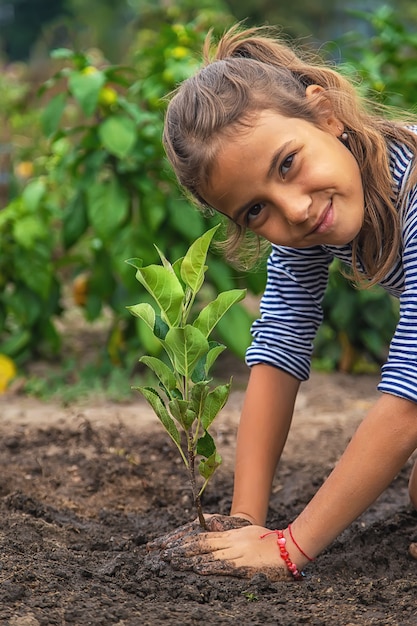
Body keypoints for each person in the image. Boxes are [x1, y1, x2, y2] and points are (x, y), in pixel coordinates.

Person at [157, 23, 417, 581]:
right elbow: (278, 346)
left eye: (287, 164)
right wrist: (244, 519)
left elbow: (409, 400)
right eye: (255, 210)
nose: (292, 209)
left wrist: (288, 549)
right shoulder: (317, 213)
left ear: (326, 116)